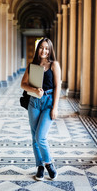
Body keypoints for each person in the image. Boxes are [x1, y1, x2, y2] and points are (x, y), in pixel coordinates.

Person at [21, 37, 61, 181]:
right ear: (38, 49)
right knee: (34, 137)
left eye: (46, 48)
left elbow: (58, 86)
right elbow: (23, 84)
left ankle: (49, 163)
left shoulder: (54, 65)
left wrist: (55, 108)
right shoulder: (32, 65)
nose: (44, 50)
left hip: (49, 103)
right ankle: (40, 167)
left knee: (40, 136)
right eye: (41, 47)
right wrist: (34, 90)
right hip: (34, 103)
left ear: (50, 50)